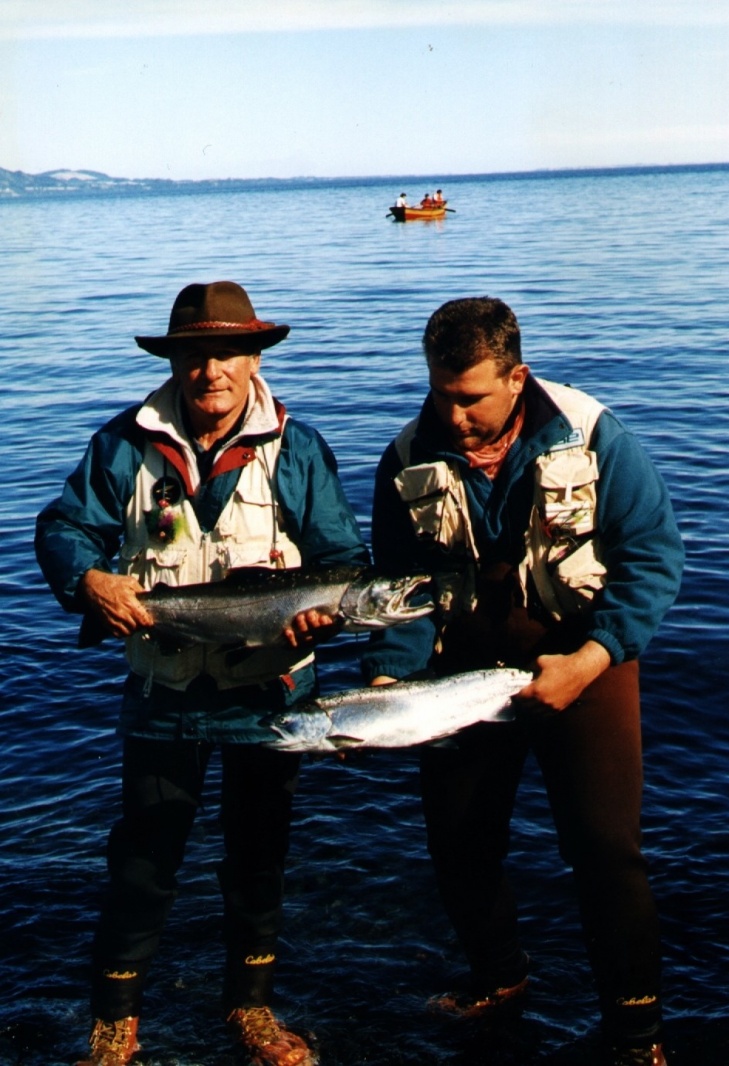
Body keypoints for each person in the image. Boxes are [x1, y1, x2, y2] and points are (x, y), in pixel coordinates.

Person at [36, 280, 370, 1066]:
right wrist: (89, 581)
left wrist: (329, 614)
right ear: (175, 361)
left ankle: (249, 1010)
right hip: (165, 692)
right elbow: (62, 528)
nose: (211, 370)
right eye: (194, 354)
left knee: (258, 857)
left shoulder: (300, 449)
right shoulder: (123, 445)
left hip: (271, 696)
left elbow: (343, 564)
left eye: (227, 353)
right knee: (143, 859)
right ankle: (115, 1021)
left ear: (255, 360)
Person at [361, 297, 683, 1066]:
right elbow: (403, 595)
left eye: (471, 397)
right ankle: (498, 979)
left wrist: (594, 657)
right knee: (460, 844)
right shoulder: (405, 455)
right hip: (462, 672)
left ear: (516, 377)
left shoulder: (593, 434)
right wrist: (387, 677)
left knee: (605, 851)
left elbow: (651, 557)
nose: (455, 413)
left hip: (584, 658)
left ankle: (635, 1032)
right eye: (442, 394)